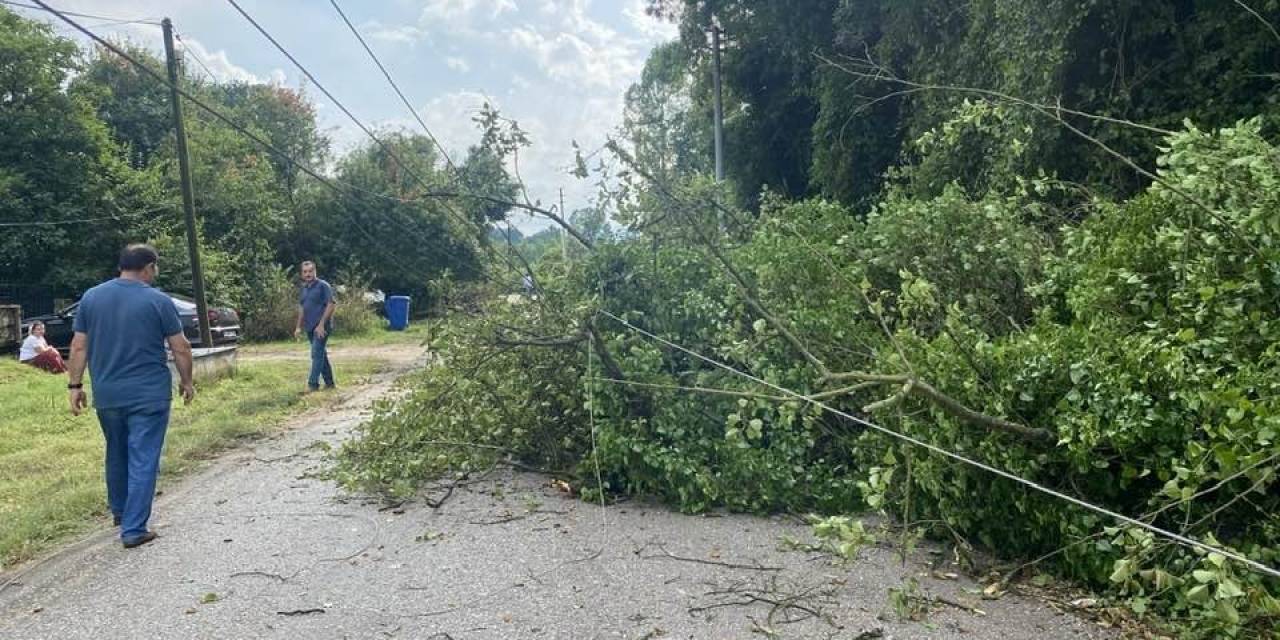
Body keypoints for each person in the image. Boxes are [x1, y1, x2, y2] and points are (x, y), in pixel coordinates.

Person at [67, 244, 195, 549]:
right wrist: (187, 382)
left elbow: (78, 346)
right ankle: (134, 528)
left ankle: (121, 511)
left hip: (108, 394)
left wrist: (75, 386)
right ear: (149, 267)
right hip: (149, 394)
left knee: (117, 451)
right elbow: (181, 347)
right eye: (155, 268)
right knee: (143, 457)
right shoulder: (158, 301)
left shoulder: (91, 298)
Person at [294, 260, 336, 391]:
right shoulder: (304, 289)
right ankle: (330, 383)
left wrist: (321, 324)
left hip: (322, 326)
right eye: (305, 272)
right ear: (302, 274)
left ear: (315, 271)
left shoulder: (323, 286)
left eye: (310, 271)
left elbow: (331, 304)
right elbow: (302, 308)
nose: (308, 274)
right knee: (320, 354)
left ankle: (313, 384)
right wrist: (298, 327)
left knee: (316, 353)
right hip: (309, 327)